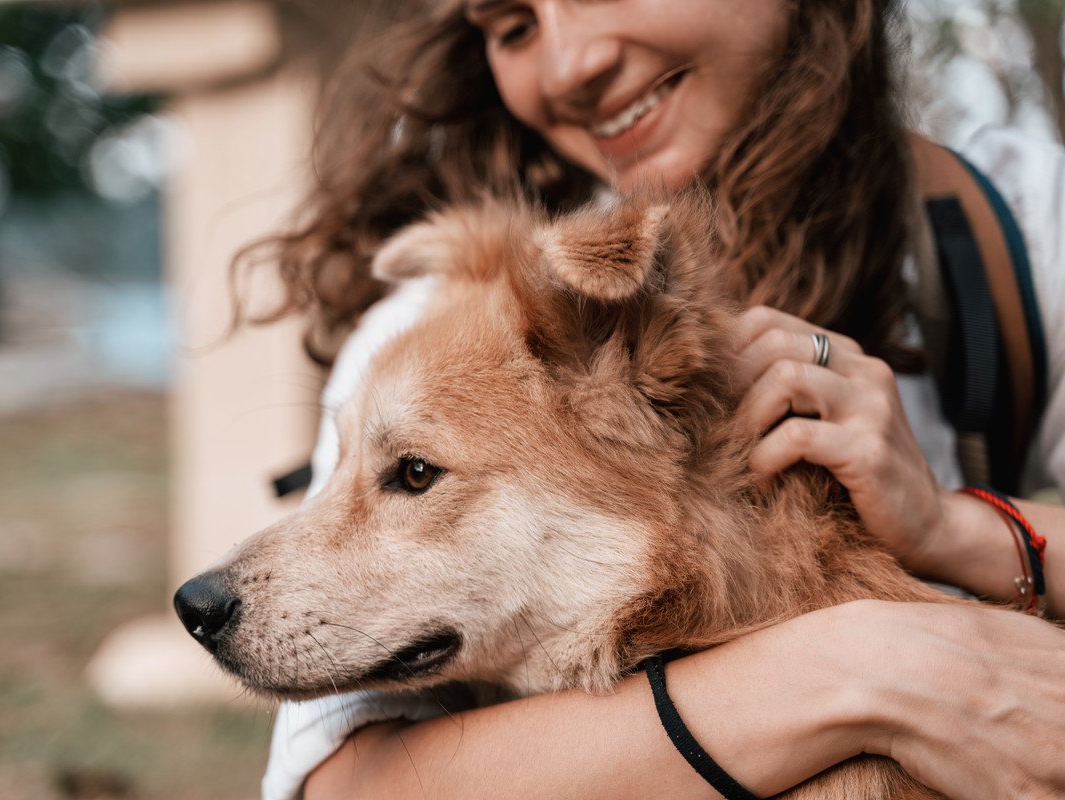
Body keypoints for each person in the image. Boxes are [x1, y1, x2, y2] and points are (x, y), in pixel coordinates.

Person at [246, 0, 1065, 798]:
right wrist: (859, 669)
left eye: (415, 473)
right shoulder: (450, 316)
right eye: (513, 26)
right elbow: (341, 783)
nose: (571, 65)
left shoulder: (1017, 228)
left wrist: (960, 528)